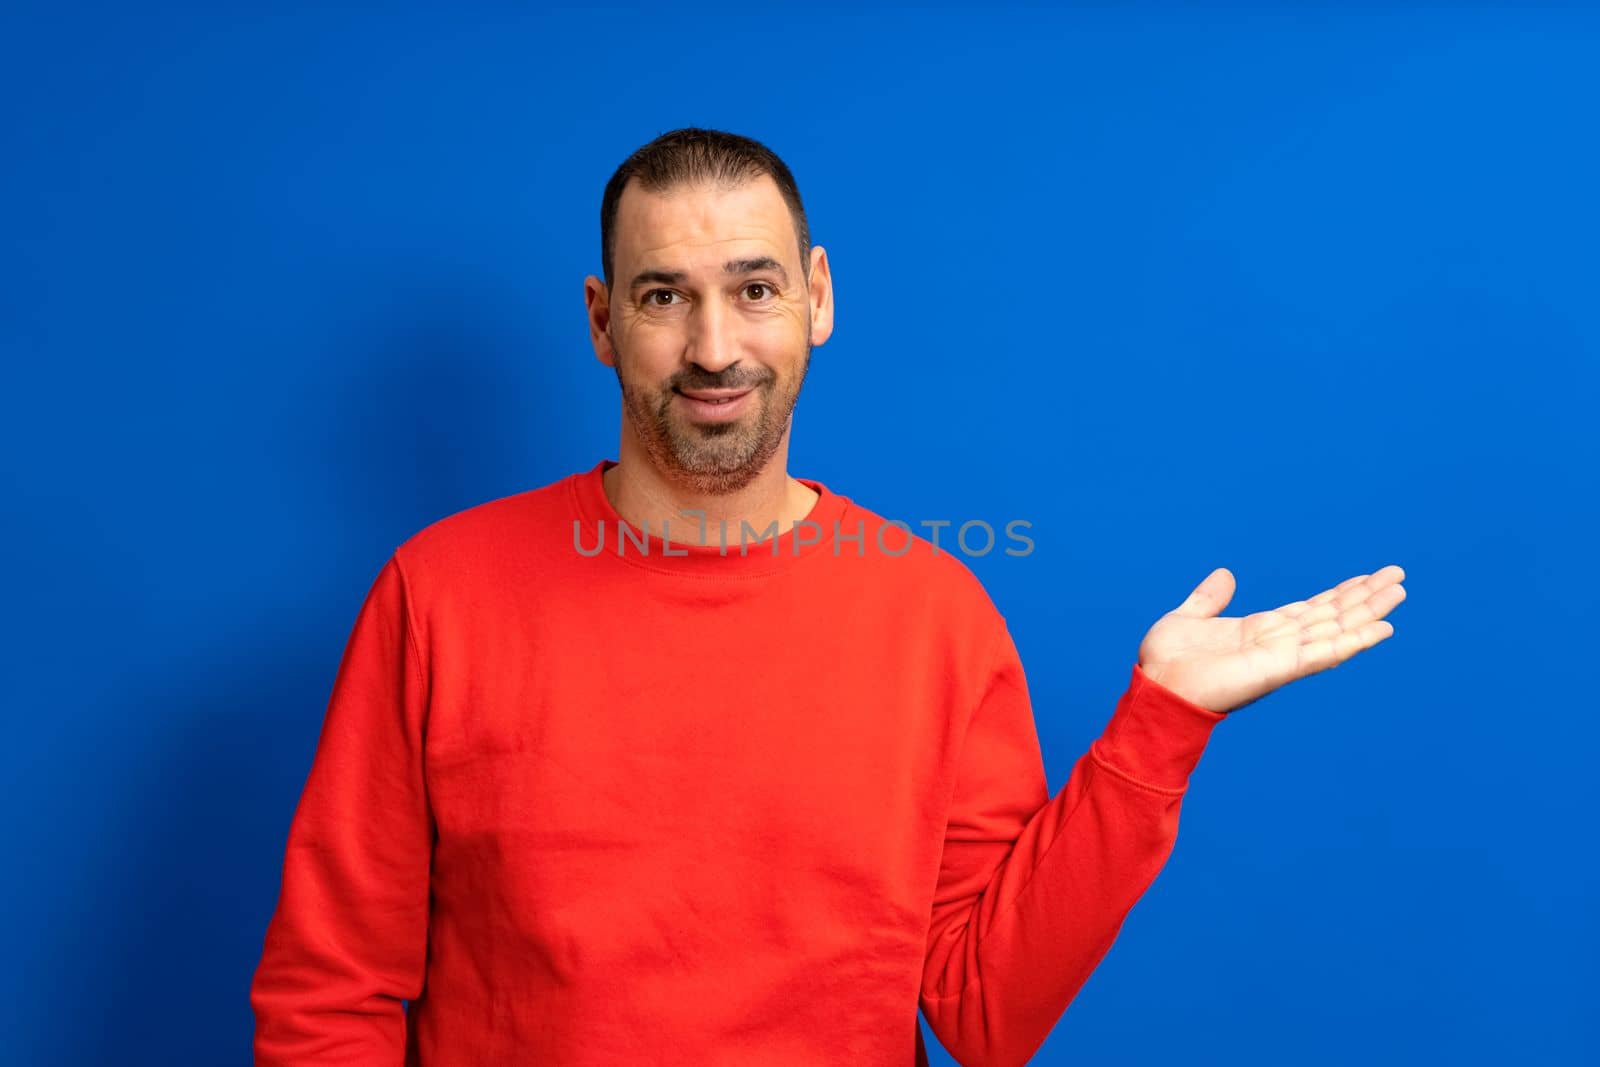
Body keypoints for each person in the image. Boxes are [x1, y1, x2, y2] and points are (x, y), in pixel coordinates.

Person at [249, 127, 1406, 1066]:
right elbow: (330, 991)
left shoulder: (934, 615)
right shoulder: (440, 591)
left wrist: (1162, 720)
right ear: (603, 322)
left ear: (817, 298)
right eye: (665, 297)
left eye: (753, 288)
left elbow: (983, 1014)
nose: (713, 347)